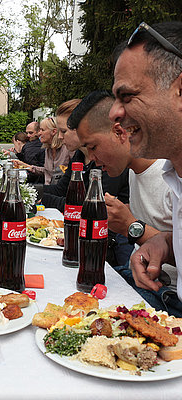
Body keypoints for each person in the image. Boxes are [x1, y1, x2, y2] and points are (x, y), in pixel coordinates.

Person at [68, 90, 178, 315]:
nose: (91, 159)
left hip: (167, 298)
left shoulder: (170, 175)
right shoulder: (132, 172)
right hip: (135, 282)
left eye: (93, 147)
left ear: (119, 133)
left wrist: (130, 226)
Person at [109, 21, 182, 307]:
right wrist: (166, 243)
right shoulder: (172, 173)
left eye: (126, 96)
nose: (114, 113)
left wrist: (132, 227)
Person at [41, 99, 132, 267]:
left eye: (63, 131)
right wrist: (32, 192)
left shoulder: (111, 160)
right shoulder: (80, 156)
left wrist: (43, 198)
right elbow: (63, 190)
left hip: (110, 249)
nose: (59, 137)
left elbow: (93, 207)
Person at [12, 117, 72, 184]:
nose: (39, 133)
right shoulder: (48, 149)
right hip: (48, 188)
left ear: (54, 131)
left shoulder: (67, 149)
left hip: (58, 191)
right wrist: (25, 166)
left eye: (42, 130)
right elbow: (47, 171)